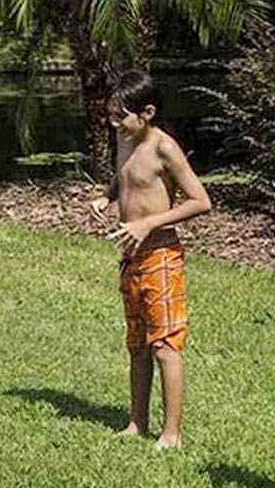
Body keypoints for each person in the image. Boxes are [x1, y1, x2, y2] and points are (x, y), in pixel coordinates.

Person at [90, 70, 212, 450]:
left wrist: (148, 224)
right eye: (111, 116)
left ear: (147, 112)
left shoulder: (164, 148)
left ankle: (171, 433)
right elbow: (125, 177)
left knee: (165, 345)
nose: (114, 124)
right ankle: (136, 422)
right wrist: (107, 197)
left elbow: (201, 201)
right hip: (130, 257)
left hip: (160, 255)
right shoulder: (125, 138)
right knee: (138, 345)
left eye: (120, 116)